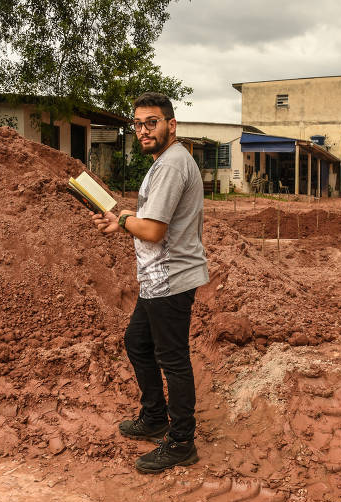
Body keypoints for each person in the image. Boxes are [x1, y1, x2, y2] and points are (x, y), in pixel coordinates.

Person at [91, 92, 208, 473]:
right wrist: (121, 221)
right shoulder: (163, 163)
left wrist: (123, 218)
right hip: (158, 279)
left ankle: (181, 440)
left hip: (172, 278)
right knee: (137, 342)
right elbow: (149, 225)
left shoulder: (172, 165)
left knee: (172, 358)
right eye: (138, 124)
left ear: (171, 125)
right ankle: (155, 416)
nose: (143, 130)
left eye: (151, 123)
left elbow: (154, 231)